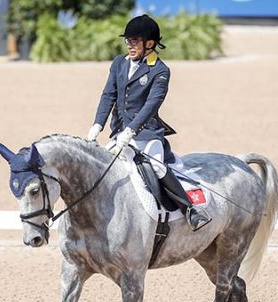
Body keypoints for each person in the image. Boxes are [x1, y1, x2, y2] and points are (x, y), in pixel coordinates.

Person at [86, 14, 211, 231]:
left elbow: (151, 105)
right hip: (119, 132)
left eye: (135, 41)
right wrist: (97, 125)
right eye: (128, 41)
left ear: (149, 43)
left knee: (156, 166)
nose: (130, 45)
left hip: (147, 134)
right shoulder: (119, 64)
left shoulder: (160, 71)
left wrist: (131, 130)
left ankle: (190, 211)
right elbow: (108, 95)